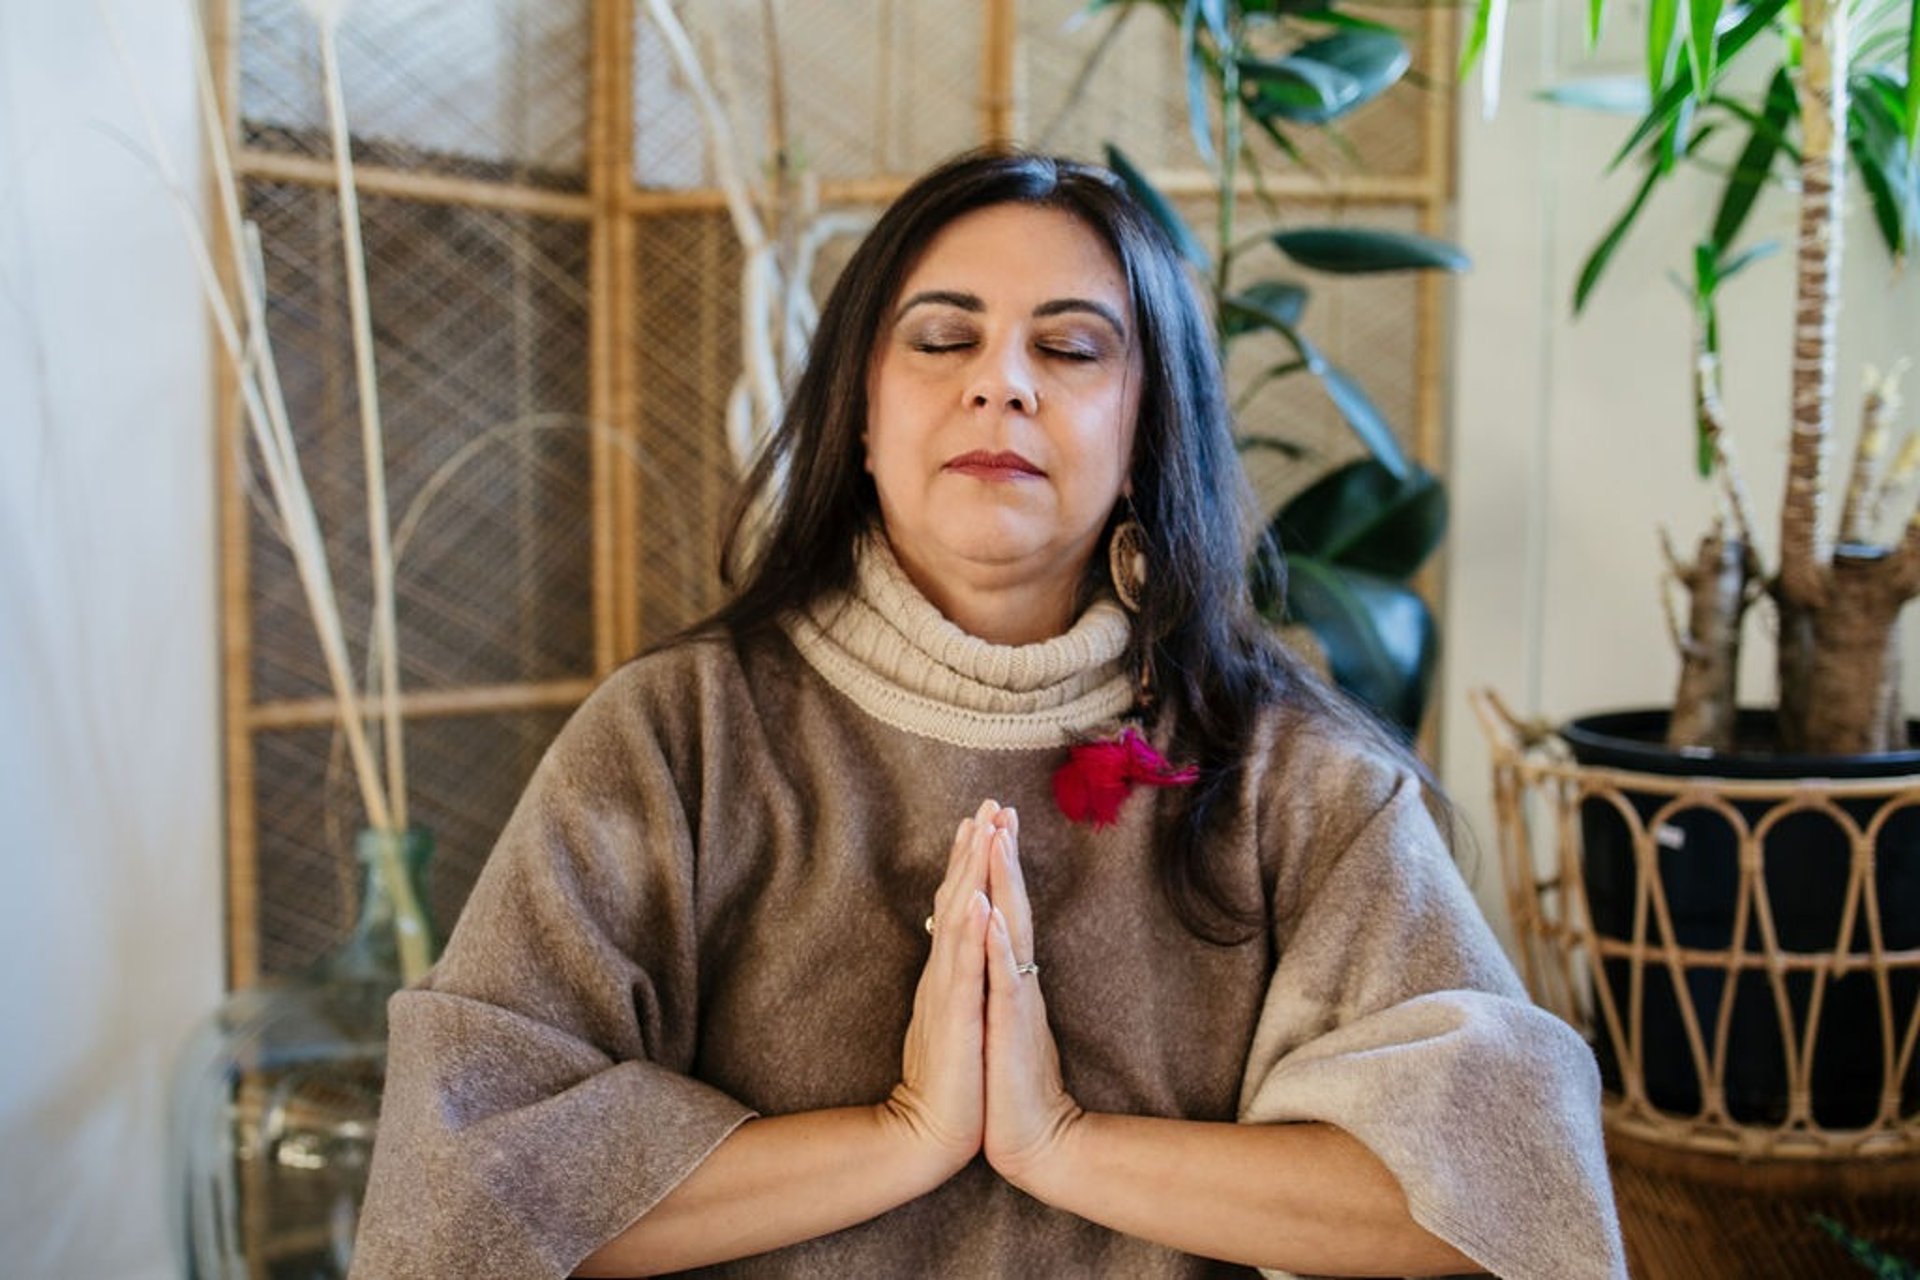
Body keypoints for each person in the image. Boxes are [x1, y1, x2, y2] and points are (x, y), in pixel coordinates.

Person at [351, 148, 1623, 1279]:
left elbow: (1500, 1193)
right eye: (942, 338)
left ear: (1144, 431)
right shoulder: (679, 738)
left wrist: (1055, 1140)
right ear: (858, 413)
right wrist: (901, 1135)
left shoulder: (1297, 779)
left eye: (1069, 348)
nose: (1002, 382)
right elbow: (463, 1185)